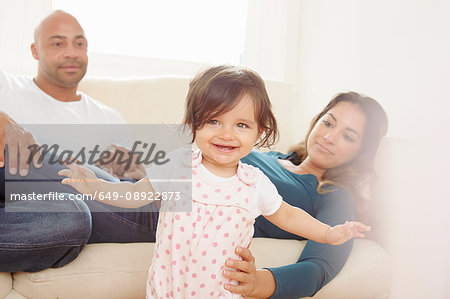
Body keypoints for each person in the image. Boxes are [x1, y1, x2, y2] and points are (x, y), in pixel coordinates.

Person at [59, 65, 371, 298]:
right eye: (214, 121)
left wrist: (330, 234)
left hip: (217, 289)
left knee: (42, 181)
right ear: (195, 123)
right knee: (48, 169)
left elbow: (289, 216)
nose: (226, 133)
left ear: (258, 132)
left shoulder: (263, 183)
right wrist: (97, 188)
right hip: (167, 284)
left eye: (241, 125)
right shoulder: (184, 162)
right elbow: (136, 194)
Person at [0, 10, 156, 273]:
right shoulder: (8, 87)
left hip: (52, 208)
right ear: (35, 50)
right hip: (14, 177)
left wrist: (133, 170)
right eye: (58, 43)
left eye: (79, 43)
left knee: (71, 216)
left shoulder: (110, 117)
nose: (71, 52)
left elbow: (133, 187)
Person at [221, 91, 388, 298]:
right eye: (328, 123)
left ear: (361, 152)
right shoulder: (274, 157)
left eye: (347, 136)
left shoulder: (334, 196)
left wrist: (258, 282)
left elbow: (318, 267)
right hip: (182, 181)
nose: (329, 137)